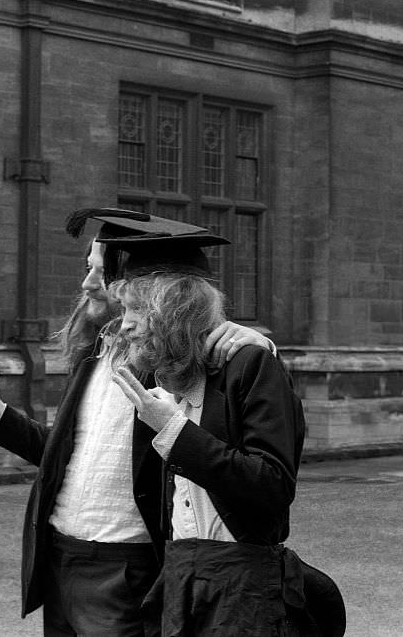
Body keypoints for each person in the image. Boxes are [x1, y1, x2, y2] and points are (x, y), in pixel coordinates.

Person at [0, 208, 275, 636]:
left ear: (136, 288)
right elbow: (66, 457)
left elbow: (239, 416)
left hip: (129, 567)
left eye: (100, 274)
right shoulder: (95, 349)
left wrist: (258, 343)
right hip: (61, 554)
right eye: (87, 269)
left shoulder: (177, 358)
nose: (87, 284)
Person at [104, 232, 344, 636]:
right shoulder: (162, 377)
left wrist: (173, 432)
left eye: (136, 310)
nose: (124, 325)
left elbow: (271, 485)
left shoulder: (250, 365)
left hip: (243, 590)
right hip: (180, 579)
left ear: (174, 311)